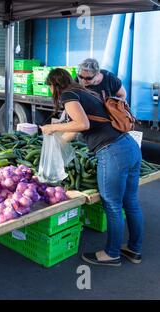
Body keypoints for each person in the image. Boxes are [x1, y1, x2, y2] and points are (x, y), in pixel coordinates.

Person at [40, 68, 143, 267]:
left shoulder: (68, 95)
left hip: (112, 152)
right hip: (129, 147)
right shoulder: (86, 93)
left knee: (112, 206)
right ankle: (134, 249)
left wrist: (52, 128)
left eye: (50, 87)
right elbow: (75, 129)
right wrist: (54, 146)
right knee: (131, 203)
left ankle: (112, 254)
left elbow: (82, 124)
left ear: (54, 85)